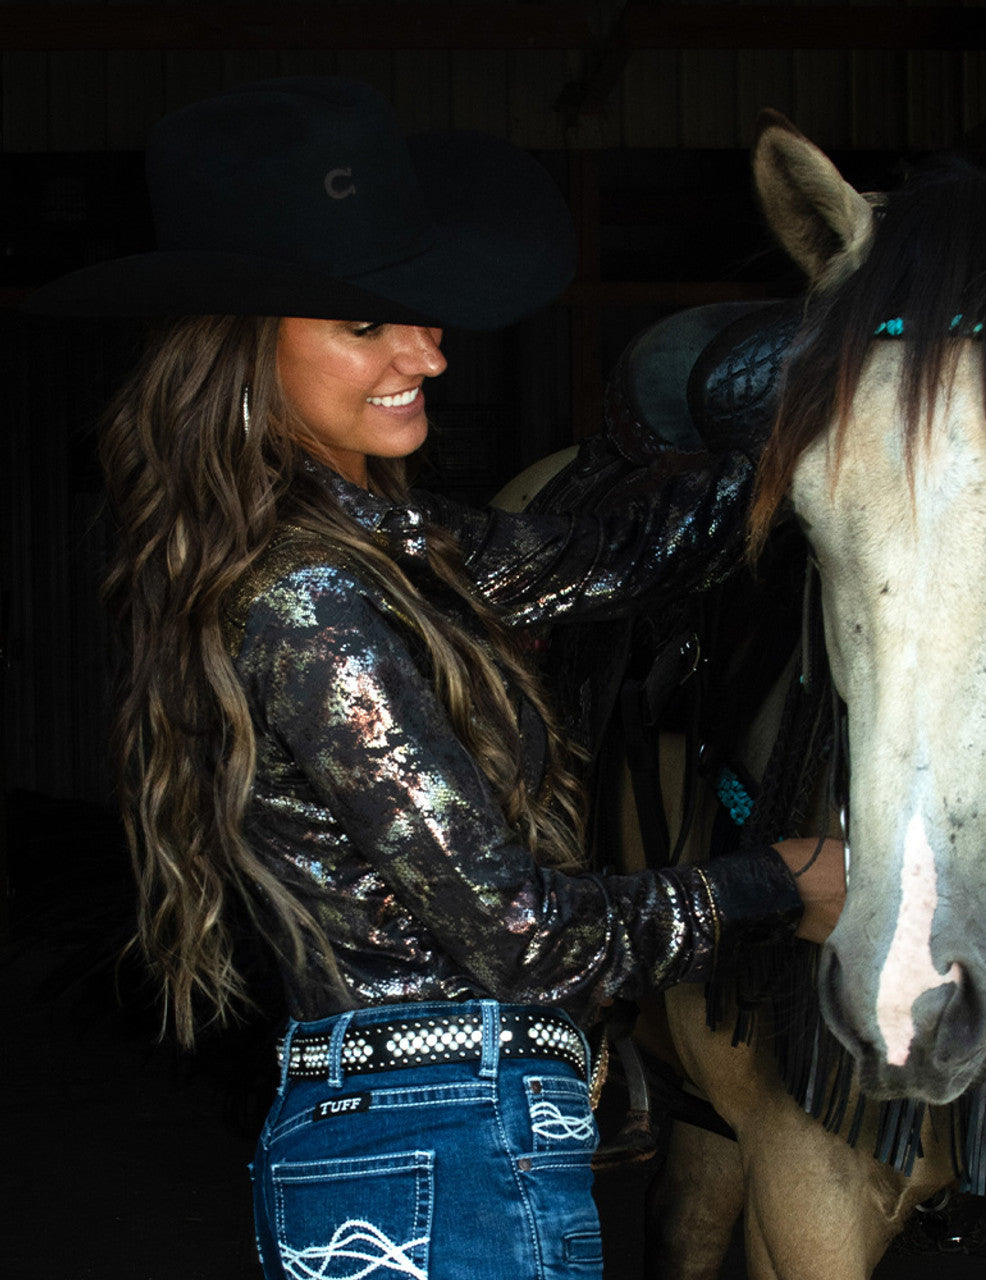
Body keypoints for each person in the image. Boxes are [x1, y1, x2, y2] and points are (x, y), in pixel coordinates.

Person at [28, 78, 844, 1280]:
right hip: (444, 1143)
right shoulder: (309, 598)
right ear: (240, 350)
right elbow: (524, 939)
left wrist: (831, 430)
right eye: (367, 327)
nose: (429, 351)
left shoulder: (380, 550)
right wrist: (777, 880)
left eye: (416, 314)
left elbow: (607, 559)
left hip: (435, 1143)